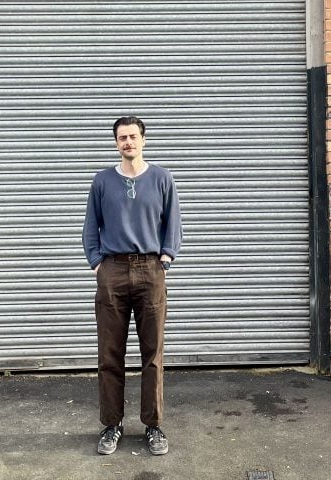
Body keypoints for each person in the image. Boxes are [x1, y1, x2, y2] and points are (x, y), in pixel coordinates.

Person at [83, 116, 182, 457]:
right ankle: (112, 425)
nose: (128, 142)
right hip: (112, 270)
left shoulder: (161, 178)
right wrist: (97, 263)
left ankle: (153, 426)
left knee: (152, 354)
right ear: (115, 143)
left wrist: (165, 258)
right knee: (110, 353)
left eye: (133, 136)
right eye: (122, 137)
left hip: (150, 270)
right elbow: (90, 226)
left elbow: (173, 221)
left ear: (144, 140)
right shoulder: (102, 181)